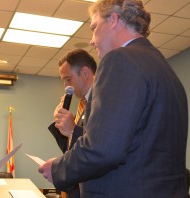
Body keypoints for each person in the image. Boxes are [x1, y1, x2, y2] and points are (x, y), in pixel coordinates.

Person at [39, 0, 189, 197]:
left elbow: (103, 150)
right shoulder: (165, 69)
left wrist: (57, 169)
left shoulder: (120, 59)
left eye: (94, 28)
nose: (92, 40)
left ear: (114, 20)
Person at [48, 49, 96, 198]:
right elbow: (71, 149)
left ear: (85, 73)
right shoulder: (84, 105)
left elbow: (100, 146)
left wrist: (73, 130)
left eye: (68, 79)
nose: (65, 86)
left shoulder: (103, 102)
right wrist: (61, 124)